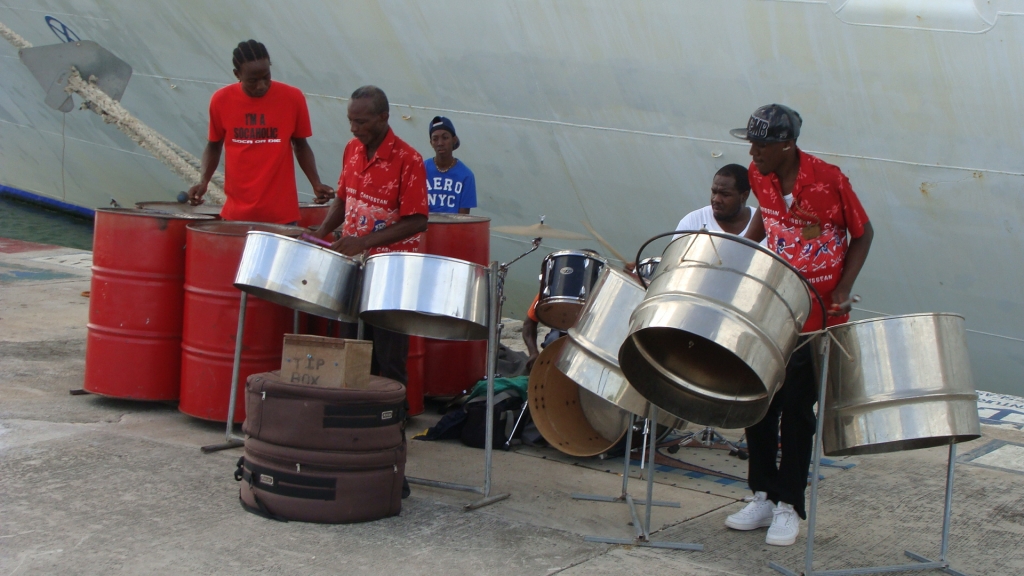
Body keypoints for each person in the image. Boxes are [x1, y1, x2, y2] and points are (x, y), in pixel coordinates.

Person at [724, 104, 873, 546]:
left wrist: (844, 287)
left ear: (787, 145)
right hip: (773, 306)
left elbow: (863, 234)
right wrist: (734, 254)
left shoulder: (829, 180)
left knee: (795, 409)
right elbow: (764, 221)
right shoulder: (759, 173)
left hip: (818, 315)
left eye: (761, 144)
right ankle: (763, 495)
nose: (753, 152)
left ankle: (789, 505)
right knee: (758, 401)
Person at [313, 85, 428, 385]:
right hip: (355, 268)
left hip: (392, 274)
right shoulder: (352, 150)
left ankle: (390, 423)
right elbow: (342, 198)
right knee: (354, 349)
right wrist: (321, 231)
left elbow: (417, 220)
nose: (354, 128)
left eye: (361, 122)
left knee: (389, 356)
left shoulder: (408, 159)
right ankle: (356, 421)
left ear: (383, 118)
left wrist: (362, 242)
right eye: (350, 121)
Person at [188, 39, 334, 223]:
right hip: (237, 216)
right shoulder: (220, 100)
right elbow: (214, 146)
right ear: (237, 74)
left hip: (282, 216)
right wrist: (203, 182)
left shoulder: (293, 98)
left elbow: (301, 145)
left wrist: (316, 182)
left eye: (266, 77)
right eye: (253, 80)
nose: (261, 86)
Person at [675, 164, 755, 236]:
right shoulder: (692, 222)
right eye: (714, 192)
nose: (716, 199)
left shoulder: (763, 224)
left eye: (725, 194)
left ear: (744, 196)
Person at [425, 116, 477, 214]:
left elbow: (463, 218)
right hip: (425, 227)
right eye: (435, 139)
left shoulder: (466, 175)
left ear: (454, 140)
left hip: (453, 228)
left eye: (445, 138)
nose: (440, 143)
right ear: (431, 143)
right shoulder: (420, 169)